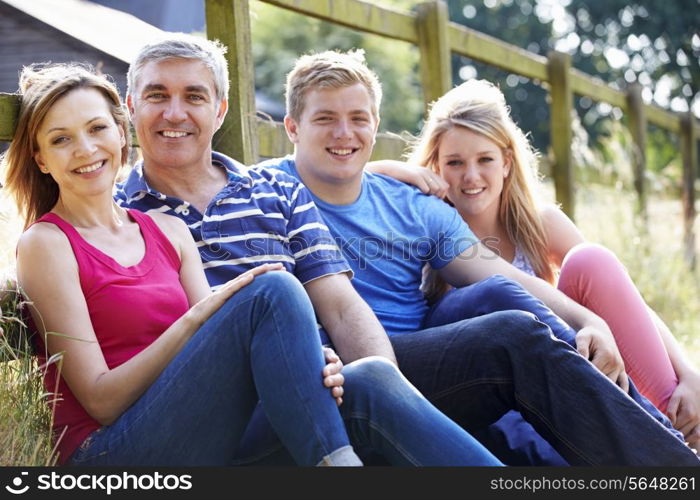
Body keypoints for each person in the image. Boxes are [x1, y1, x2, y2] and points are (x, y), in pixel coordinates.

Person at [1, 62, 504, 467]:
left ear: (121, 132)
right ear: (41, 158)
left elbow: (229, 348)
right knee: (271, 288)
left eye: (95, 129)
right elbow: (103, 401)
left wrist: (307, 361)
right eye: (61, 139)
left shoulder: (165, 231)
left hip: (203, 431)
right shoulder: (46, 244)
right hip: (116, 455)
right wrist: (194, 320)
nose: (85, 149)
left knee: (365, 380)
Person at [262, 48, 700, 466]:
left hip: (424, 359)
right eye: (325, 119)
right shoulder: (264, 192)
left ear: (376, 125)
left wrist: (589, 320)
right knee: (509, 335)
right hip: (334, 370)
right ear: (293, 127)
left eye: (358, 118)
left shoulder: (413, 205)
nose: (344, 133)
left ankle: (669, 454)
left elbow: (501, 275)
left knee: (499, 300)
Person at [372, 79, 700, 451]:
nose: (471, 176)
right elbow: (354, 183)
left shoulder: (538, 224)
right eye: (454, 163)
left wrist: (689, 372)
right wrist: (390, 169)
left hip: (570, 370)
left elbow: (627, 305)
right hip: (495, 392)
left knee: (592, 260)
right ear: (434, 166)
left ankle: (680, 428)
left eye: (485, 159)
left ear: (507, 162)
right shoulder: (426, 226)